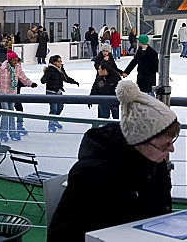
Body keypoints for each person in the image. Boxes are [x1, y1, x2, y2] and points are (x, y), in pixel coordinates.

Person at [48, 78, 179, 239]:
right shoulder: (93, 174)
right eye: (165, 145)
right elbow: (61, 234)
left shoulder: (153, 162)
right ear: (139, 142)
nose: (171, 149)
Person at [0, 50, 37, 141]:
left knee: (12, 113)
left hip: (13, 94)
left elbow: (23, 78)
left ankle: (12, 132)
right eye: (14, 60)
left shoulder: (17, 68)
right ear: (9, 60)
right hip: (3, 94)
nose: (16, 62)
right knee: (5, 114)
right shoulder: (1, 68)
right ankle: (3, 133)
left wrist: (31, 84)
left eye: (16, 60)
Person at [41, 54, 79, 132]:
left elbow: (65, 78)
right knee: (53, 109)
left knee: (60, 107)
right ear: (53, 62)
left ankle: (55, 120)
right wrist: (45, 77)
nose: (60, 63)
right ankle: (51, 124)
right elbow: (43, 80)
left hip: (59, 91)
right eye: (58, 61)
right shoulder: (50, 70)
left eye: (60, 61)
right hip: (51, 92)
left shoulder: (61, 69)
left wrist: (73, 82)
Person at [92, 42, 124, 118]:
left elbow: (114, 68)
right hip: (102, 80)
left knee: (114, 109)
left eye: (106, 51)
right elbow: (98, 66)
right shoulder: (99, 58)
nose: (105, 53)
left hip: (111, 81)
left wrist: (121, 72)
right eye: (103, 51)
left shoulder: (111, 58)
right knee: (102, 108)